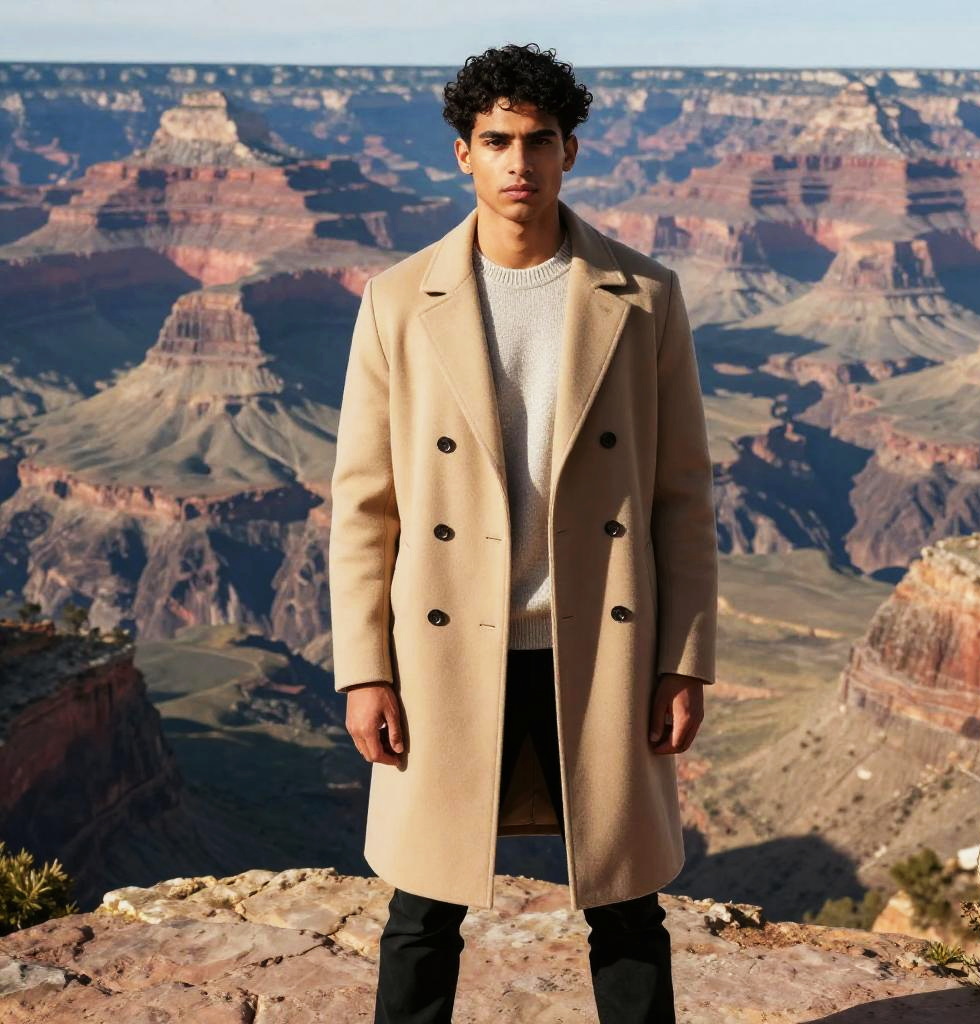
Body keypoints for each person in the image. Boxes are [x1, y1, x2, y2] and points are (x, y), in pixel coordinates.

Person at [329, 41, 718, 1024]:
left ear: (569, 150)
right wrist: (363, 668)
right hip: (446, 644)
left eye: (537, 140)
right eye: (495, 140)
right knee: (422, 906)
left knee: (626, 901)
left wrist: (684, 659)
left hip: (600, 641)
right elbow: (365, 506)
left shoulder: (643, 296)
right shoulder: (396, 303)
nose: (517, 163)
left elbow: (680, 495)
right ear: (461, 152)